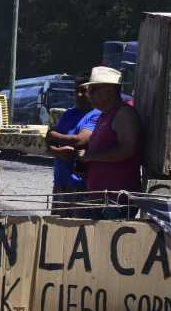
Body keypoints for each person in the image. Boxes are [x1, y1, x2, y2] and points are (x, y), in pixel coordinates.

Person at [74, 67, 142, 215]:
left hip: (116, 200)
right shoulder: (104, 115)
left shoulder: (124, 114)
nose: (89, 94)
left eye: (93, 89)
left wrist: (90, 156)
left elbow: (127, 150)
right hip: (102, 199)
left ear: (110, 90)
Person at [47, 77, 101, 210]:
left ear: (93, 91)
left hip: (81, 186)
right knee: (57, 226)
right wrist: (56, 151)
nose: (78, 95)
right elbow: (49, 145)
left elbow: (80, 140)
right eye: (76, 91)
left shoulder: (97, 115)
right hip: (61, 182)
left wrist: (52, 134)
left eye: (83, 91)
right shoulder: (68, 113)